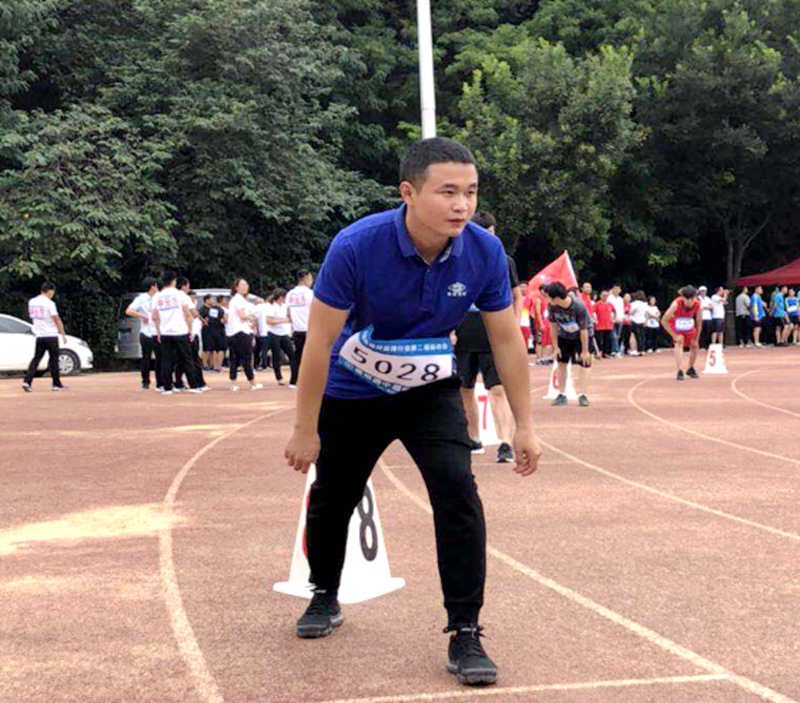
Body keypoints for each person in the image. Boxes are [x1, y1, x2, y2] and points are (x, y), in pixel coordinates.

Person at [284, 137, 541, 686]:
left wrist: (524, 426)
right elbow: (319, 342)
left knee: (458, 492)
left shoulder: (485, 252)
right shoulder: (356, 246)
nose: (462, 205)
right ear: (408, 192)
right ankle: (324, 592)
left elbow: (506, 339)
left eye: (471, 192)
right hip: (353, 390)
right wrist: (305, 428)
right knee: (333, 496)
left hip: (428, 389)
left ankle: (465, 629)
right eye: (447, 192)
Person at [454, 211, 518, 464]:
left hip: (494, 332)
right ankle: (473, 437)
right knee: (465, 388)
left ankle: (505, 442)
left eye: (492, 233)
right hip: (464, 332)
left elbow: (517, 295)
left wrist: (513, 323)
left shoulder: (504, 260)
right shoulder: (458, 257)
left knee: (498, 389)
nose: (489, 238)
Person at [150, 272, 202, 395]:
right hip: (180, 331)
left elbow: (154, 316)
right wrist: (190, 330)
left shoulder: (157, 296)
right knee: (187, 358)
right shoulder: (180, 295)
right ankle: (193, 385)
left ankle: (167, 387)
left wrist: (158, 332)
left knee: (166, 360)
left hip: (165, 332)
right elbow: (187, 314)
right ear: (173, 281)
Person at [546, 281, 592, 406]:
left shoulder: (579, 306)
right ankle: (562, 394)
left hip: (582, 335)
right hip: (563, 335)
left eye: (548, 297)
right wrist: (556, 347)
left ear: (556, 298)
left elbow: (584, 329)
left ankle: (583, 395)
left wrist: (584, 351)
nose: (547, 299)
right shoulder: (552, 306)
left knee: (584, 363)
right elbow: (553, 326)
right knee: (561, 363)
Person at [22, 281, 68, 393]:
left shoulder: (32, 302)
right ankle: (56, 384)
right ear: (50, 291)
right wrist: (62, 333)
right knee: (54, 360)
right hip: (51, 335)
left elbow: (32, 316)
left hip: (39, 335)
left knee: (36, 358)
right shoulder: (50, 303)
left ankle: (27, 381)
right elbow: (56, 319)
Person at [225, 279, 262, 392]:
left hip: (232, 333)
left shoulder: (235, 300)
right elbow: (242, 316)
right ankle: (253, 382)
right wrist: (252, 317)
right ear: (236, 287)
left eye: (246, 284)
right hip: (241, 332)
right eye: (242, 284)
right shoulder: (239, 300)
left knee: (234, 359)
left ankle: (233, 383)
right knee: (246, 358)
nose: (245, 286)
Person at [661, 285, 703, 381]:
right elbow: (664, 320)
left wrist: (696, 339)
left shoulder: (698, 305)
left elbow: (699, 323)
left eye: (692, 299)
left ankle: (690, 368)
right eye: (687, 299)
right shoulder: (676, 304)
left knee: (694, 345)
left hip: (688, 324)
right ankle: (679, 369)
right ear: (683, 298)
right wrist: (674, 335)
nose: (690, 302)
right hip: (675, 323)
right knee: (679, 341)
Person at [126, 277, 161, 390]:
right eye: (156, 285)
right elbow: (129, 311)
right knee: (146, 358)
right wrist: (142, 316)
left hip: (158, 332)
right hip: (146, 332)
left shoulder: (159, 297)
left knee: (160, 358)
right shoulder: (141, 298)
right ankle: (145, 382)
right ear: (153, 286)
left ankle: (160, 382)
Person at [267, 289, 299, 388]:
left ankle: (294, 378)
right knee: (277, 356)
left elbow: (290, 317)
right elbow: (269, 321)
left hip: (284, 334)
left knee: (292, 355)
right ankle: (279, 377)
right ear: (281, 297)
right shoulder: (272, 307)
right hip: (274, 334)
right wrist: (283, 320)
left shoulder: (285, 306)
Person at [287, 271, 315, 373]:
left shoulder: (290, 294)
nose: (311, 282)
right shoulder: (310, 293)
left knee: (297, 356)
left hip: (297, 330)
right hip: (309, 330)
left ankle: (294, 379)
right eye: (311, 279)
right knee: (311, 357)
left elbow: (288, 313)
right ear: (305, 279)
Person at [200, 295, 227, 372]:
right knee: (219, 349)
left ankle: (213, 365)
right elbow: (224, 320)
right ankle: (217, 367)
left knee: (213, 349)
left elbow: (210, 319)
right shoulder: (221, 309)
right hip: (218, 330)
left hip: (212, 330)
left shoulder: (211, 309)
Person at [594, 290, 616, 358]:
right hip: (599, 325)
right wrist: (594, 320)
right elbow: (591, 312)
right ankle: (598, 352)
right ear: (600, 296)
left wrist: (614, 319)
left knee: (608, 340)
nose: (605, 297)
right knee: (599, 340)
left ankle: (606, 353)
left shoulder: (610, 304)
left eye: (606, 296)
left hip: (608, 325)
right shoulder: (597, 304)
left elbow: (615, 311)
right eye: (603, 295)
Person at [607, 285, 625, 356]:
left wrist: (621, 318)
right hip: (612, 319)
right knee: (613, 336)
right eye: (615, 289)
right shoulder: (609, 299)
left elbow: (621, 310)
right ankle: (616, 351)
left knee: (618, 336)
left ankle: (613, 350)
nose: (617, 290)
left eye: (618, 289)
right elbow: (609, 309)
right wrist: (613, 318)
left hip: (620, 319)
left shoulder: (621, 299)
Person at [628, 290, 648, 356]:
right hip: (642, 320)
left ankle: (635, 349)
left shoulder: (634, 303)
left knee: (635, 336)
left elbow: (631, 312)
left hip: (635, 320)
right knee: (642, 336)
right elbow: (646, 313)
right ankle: (642, 349)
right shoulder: (645, 304)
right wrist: (646, 320)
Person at [255, 295, 272, 370]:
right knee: (265, 349)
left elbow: (255, 319)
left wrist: (256, 329)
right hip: (268, 331)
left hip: (261, 331)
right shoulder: (271, 307)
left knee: (259, 349)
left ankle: (258, 364)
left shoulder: (258, 307)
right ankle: (264, 364)